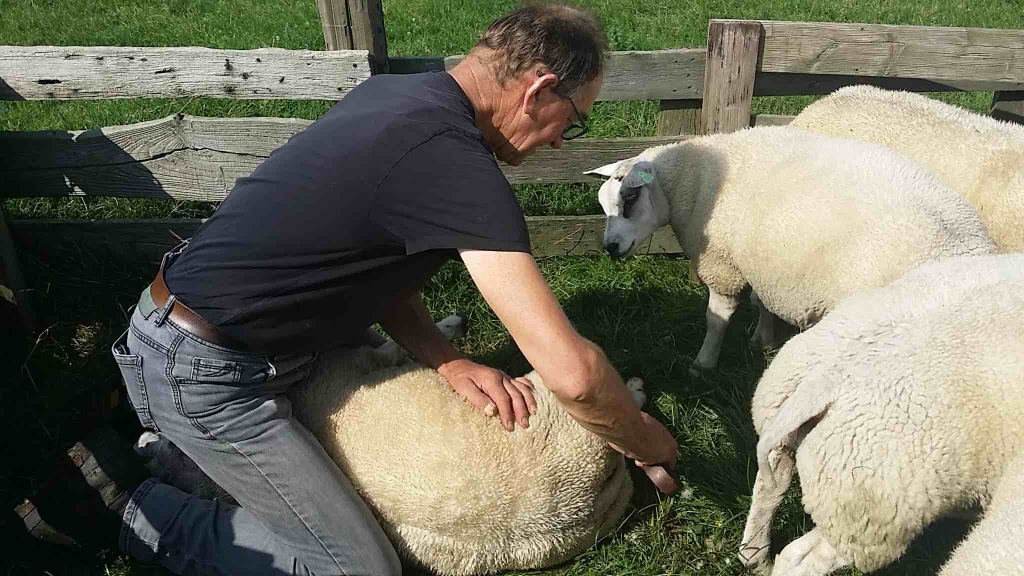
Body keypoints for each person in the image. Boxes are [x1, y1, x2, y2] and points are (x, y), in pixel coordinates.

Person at [21, 4, 679, 574]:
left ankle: (167, 446)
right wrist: (648, 444)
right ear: (538, 92)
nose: (567, 136)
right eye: (576, 119)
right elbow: (575, 377)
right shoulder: (458, 169)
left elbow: (372, 259)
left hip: (217, 333)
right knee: (353, 566)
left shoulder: (399, 97)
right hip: (207, 373)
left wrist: (443, 356)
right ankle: (129, 507)